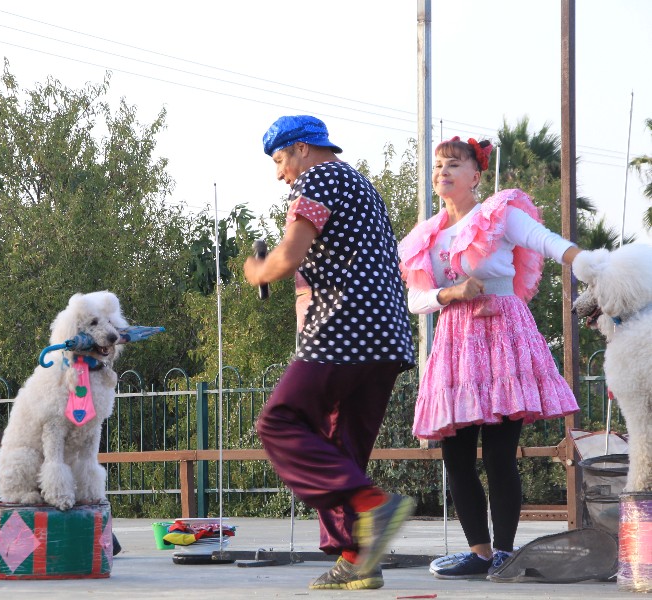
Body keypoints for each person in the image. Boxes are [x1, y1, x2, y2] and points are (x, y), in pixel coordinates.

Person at [397, 136, 583, 580]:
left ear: (475, 177)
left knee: (499, 454)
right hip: (455, 342)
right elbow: (415, 297)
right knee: (456, 456)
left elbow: (546, 241)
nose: (442, 171)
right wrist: (450, 292)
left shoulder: (498, 216)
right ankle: (478, 552)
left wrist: (589, 262)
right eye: (439, 165)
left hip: (502, 335)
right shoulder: (429, 234)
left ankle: (504, 551)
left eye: (453, 165)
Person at [244, 115, 416, 591]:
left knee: (278, 422)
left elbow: (290, 254)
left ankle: (370, 503)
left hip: (343, 330)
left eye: (280, 160)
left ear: (300, 149)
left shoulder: (320, 178)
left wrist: (258, 271)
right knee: (342, 448)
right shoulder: (361, 184)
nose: (280, 174)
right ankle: (358, 560)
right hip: (387, 336)